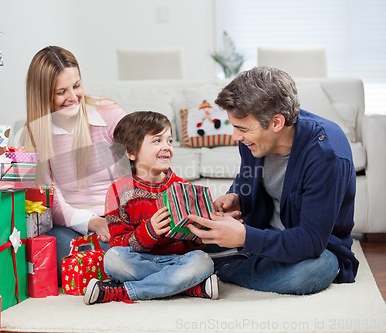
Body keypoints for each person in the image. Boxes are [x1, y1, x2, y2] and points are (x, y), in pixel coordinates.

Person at [187, 66, 359, 295]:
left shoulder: (326, 154)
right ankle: (232, 258)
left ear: (277, 123)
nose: (236, 136)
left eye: (242, 129)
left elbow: (311, 240)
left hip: (313, 246)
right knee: (192, 234)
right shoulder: (251, 139)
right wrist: (237, 196)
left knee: (312, 271)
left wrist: (244, 237)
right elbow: (245, 177)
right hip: (262, 231)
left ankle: (224, 265)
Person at [83, 111, 219, 305]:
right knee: (113, 259)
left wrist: (202, 231)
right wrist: (149, 232)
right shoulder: (117, 191)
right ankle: (188, 286)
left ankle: (126, 292)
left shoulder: (183, 188)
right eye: (157, 141)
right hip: (138, 260)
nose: (167, 147)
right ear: (130, 152)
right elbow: (118, 243)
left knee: (203, 261)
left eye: (169, 141)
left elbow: (193, 245)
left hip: (176, 260)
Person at [21, 46, 126, 285]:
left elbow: (138, 170)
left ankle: (115, 267)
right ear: (42, 95)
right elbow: (51, 202)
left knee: (123, 246)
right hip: (73, 224)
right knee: (56, 249)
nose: (73, 97)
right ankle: (114, 268)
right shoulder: (34, 135)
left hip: (117, 216)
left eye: (76, 86)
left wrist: (115, 219)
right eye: (61, 92)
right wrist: (92, 222)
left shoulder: (109, 115)